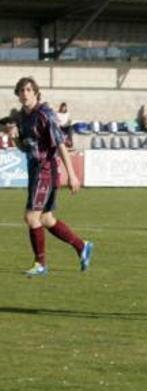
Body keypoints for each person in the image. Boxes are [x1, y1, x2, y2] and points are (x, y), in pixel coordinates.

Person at [13, 77, 93, 277]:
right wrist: (15, 138)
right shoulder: (22, 117)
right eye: (21, 90)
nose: (25, 93)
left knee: (32, 217)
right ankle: (82, 246)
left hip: (46, 171)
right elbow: (26, 147)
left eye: (29, 89)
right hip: (35, 170)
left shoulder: (45, 114)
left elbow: (60, 144)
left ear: (36, 93)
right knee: (47, 219)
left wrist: (72, 175)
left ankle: (40, 264)